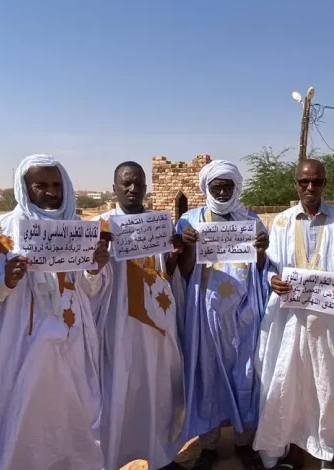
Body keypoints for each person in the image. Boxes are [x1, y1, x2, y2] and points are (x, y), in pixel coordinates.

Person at [0, 154, 111, 470]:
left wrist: (95, 269)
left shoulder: (79, 230)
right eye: (41, 185)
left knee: (76, 415)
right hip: (19, 345)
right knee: (19, 420)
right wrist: (4, 282)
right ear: (25, 188)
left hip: (73, 339)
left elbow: (92, 291)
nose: (50, 192)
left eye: (56, 185)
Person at [252, 159, 334, 470]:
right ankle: (287, 447)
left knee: (327, 384)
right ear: (296, 184)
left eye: (316, 182)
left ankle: (322, 449)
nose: (310, 188)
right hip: (288, 321)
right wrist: (271, 280)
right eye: (304, 182)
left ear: (325, 184)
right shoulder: (282, 222)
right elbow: (271, 267)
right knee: (286, 382)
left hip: (331, 321)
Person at [175, 160, 270, 470]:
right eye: (216, 186)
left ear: (236, 187)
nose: (222, 191)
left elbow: (260, 269)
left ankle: (245, 443)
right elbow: (184, 272)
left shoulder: (252, 221)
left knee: (245, 372)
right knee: (207, 375)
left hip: (244, 313)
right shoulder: (190, 221)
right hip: (205, 313)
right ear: (206, 188)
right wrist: (187, 247)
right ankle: (209, 446)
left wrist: (260, 251)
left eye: (227, 185)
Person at [93, 161, 186, 470]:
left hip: (156, 324)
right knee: (118, 389)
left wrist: (175, 255)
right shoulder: (101, 225)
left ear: (146, 188)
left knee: (158, 388)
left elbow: (166, 273)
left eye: (139, 184)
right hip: (117, 324)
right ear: (115, 188)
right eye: (126, 184)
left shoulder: (159, 223)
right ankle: (111, 458)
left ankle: (160, 456)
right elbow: (89, 278)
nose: (133, 189)